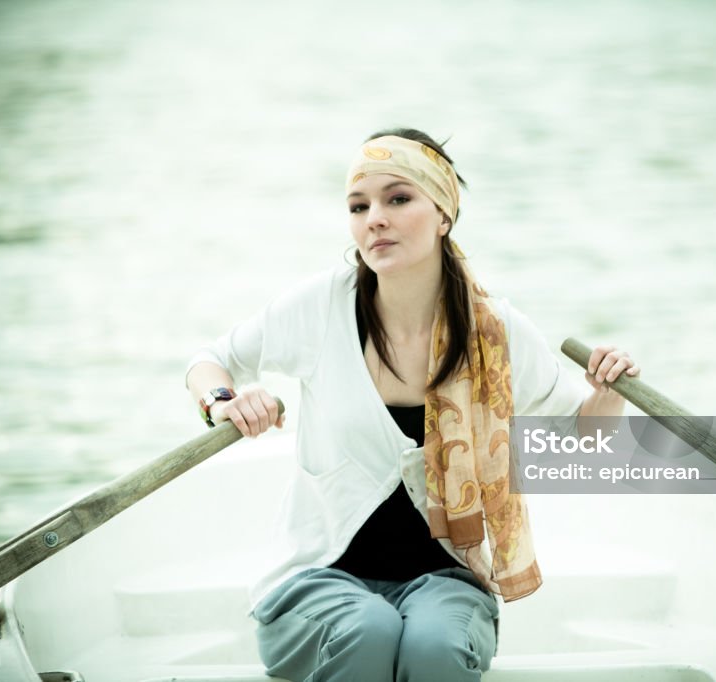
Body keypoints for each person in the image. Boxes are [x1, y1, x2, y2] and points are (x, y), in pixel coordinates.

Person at [184, 128, 640, 682]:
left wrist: (606, 391)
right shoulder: (320, 307)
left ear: (444, 214)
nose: (374, 218)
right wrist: (224, 401)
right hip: (315, 581)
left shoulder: (495, 331)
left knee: (433, 648)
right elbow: (213, 360)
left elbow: (583, 441)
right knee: (368, 629)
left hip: (445, 584)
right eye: (359, 205)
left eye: (398, 198)